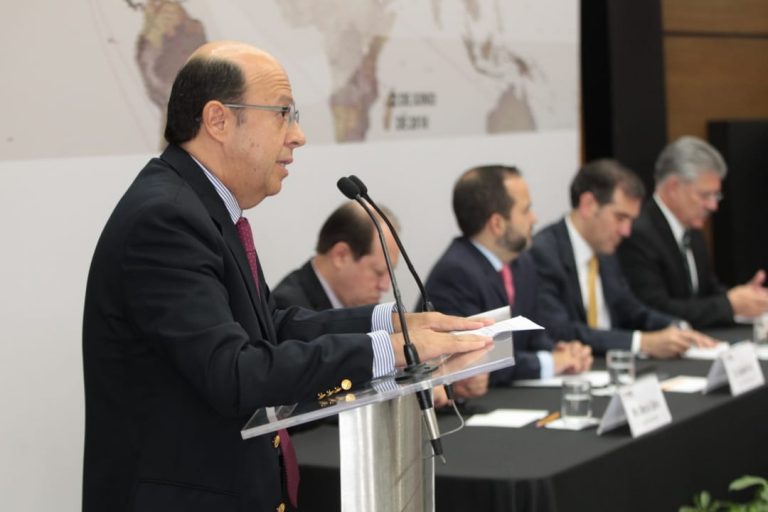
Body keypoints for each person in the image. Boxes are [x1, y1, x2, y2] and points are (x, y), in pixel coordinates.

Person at [81, 41, 491, 512]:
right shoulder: (165, 220)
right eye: (282, 114)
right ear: (218, 120)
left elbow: (268, 328)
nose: (298, 135)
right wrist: (394, 353)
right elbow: (235, 371)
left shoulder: (201, 206)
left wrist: (392, 325)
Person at [424, 165, 592, 386]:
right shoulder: (456, 274)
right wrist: (549, 362)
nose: (534, 218)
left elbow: (531, 334)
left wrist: (559, 350)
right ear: (497, 224)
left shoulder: (522, 262)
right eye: (525, 210)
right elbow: (479, 359)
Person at [530, 158, 715, 358]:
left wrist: (677, 328)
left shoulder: (605, 251)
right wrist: (641, 342)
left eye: (630, 221)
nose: (626, 231)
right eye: (620, 218)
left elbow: (630, 309)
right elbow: (561, 331)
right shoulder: (543, 253)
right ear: (588, 205)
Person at [617, 136, 768, 328]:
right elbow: (655, 308)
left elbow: (707, 291)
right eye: (705, 195)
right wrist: (729, 304)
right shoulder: (637, 233)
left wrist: (747, 298)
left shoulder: (692, 229)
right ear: (674, 187)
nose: (713, 205)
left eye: (717, 195)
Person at [273, 201, 399, 310]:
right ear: (341, 256)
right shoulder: (288, 310)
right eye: (378, 272)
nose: (385, 286)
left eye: (391, 273)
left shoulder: (355, 306)